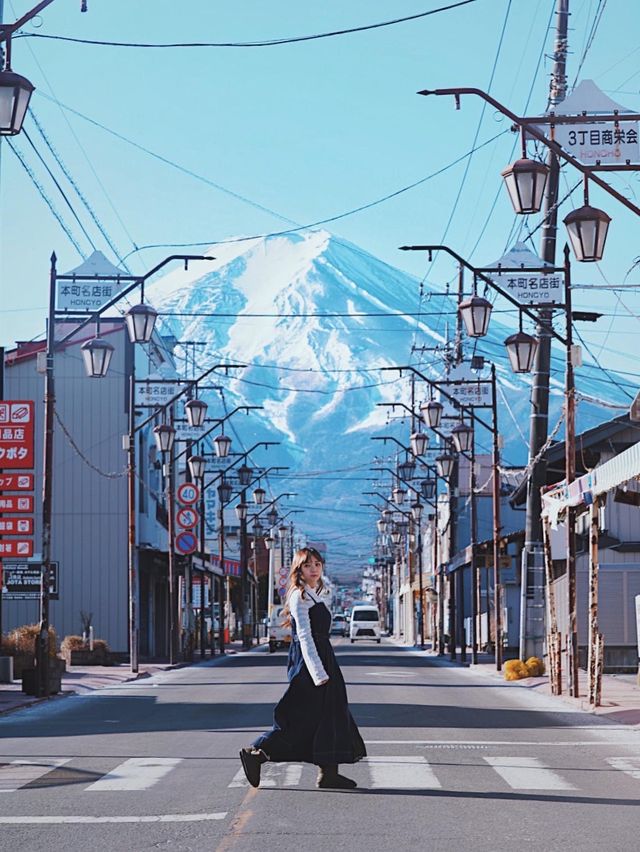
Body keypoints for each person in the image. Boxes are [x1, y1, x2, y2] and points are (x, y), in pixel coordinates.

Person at [239, 547, 366, 790]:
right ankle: (257, 752)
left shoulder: (316, 593)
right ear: (299, 569)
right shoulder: (300, 596)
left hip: (323, 656)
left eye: (317, 564)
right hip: (310, 661)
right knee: (302, 715)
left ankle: (329, 772)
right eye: (308, 565)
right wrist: (318, 672)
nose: (314, 569)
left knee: (332, 713)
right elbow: (305, 636)